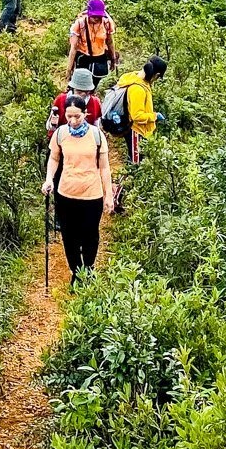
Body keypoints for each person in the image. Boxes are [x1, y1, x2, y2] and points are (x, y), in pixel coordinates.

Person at [43, 98, 110, 284]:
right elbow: (54, 159)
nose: (73, 121)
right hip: (66, 193)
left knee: (90, 235)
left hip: (92, 193)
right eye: (69, 116)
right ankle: (77, 273)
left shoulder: (97, 135)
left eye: (77, 116)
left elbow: (104, 168)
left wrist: (109, 196)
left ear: (85, 113)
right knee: (69, 236)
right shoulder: (60, 134)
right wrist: (49, 179)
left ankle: (88, 270)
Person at [102, 54, 167, 169]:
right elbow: (137, 116)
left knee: (136, 158)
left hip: (138, 130)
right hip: (136, 130)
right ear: (156, 75)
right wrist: (154, 116)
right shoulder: (138, 89)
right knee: (136, 163)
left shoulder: (134, 78)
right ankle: (129, 184)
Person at [66, 0, 119, 83]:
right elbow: (74, 48)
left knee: (95, 83)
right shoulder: (80, 23)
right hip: (84, 57)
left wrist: (113, 59)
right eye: (94, 16)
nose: (97, 18)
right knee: (81, 84)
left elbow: (110, 42)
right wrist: (69, 69)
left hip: (100, 58)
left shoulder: (106, 23)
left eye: (99, 16)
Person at [45, 66, 102, 134]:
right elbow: (49, 127)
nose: (83, 95)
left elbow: (97, 128)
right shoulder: (61, 100)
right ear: (72, 88)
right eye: (79, 92)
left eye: (86, 92)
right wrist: (53, 124)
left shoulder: (95, 102)